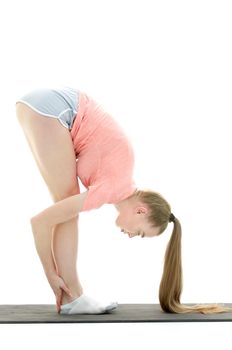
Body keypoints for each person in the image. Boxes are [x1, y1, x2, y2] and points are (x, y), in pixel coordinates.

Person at [16, 87, 232, 315]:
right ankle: (74, 295)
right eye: (139, 233)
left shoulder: (118, 178)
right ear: (141, 211)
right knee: (67, 206)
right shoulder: (111, 188)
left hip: (44, 107)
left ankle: (73, 295)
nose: (130, 236)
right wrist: (50, 274)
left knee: (65, 205)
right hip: (54, 110)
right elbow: (39, 222)